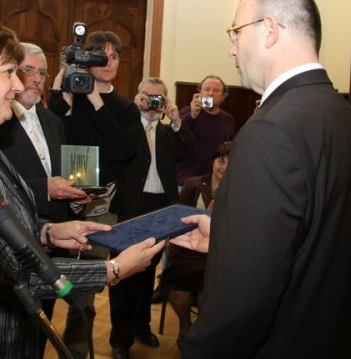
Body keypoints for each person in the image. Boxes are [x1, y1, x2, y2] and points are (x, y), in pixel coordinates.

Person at [0, 16, 164, 358]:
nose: (18, 85)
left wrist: (48, 232)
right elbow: (11, 273)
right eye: (9, 72)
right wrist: (112, 269)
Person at [170, 0, 351, 358]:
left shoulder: (269, 129)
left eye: (235, 32)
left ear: (269, 29)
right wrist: (232, 237)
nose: (232, 49)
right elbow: (315, 237)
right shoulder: (345, 119)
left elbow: (240, 307)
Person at [0, 42, 91, 355]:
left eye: (42, 73)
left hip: (54, 241)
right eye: (27, 70)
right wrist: (45, 188)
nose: (35, 78)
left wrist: (74, 199)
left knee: (41, 325)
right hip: (12, 240)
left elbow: (61, 176)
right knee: (11, 331)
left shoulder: (52, 120)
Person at [49, 30, 142, 358]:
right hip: (59, 206)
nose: (107, 62)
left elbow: (123, 151)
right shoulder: (69, 99)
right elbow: (52, 140)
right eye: (100, 56)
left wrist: (97, 102)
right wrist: (61, 95)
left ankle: (76, 351)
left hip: (102, 208)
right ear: (86, 60)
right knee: (49, 284)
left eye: (113, 56)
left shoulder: (126, 108)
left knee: (84, 289)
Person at [108, 77, 196, 359]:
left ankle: (141, 326)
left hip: (160, 208)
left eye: (159, 97)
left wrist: (177, 120)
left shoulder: (169, 133)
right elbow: (115, 149)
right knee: (123, 275)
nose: (152, 102)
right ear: (138, 97)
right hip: (131, 208)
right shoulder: (127, 128)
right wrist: (132, 112)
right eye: (147, 96)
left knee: (147, 272)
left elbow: (190, 153)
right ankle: (120, 339)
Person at [162, 140, 231, 350]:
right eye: (221, 160)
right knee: (176, 283)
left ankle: (203, 331)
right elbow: (177, 218)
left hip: (216, 251)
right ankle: (185, 326)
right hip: (187, 247)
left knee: (207, 287)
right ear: (213, 161)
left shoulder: (239, 189)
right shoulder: (193, 183)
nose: (223, 166)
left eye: (230, 162)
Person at [176, 75, 235, 187]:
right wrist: (192, 115)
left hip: (214, 183)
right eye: (207, 89)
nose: (210, 93)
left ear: (223, 96)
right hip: (186, 182)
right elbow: (175, 134)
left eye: (216, 90)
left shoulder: (228, 119)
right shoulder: (187, 112)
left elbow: (229, 150)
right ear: (200, 92)